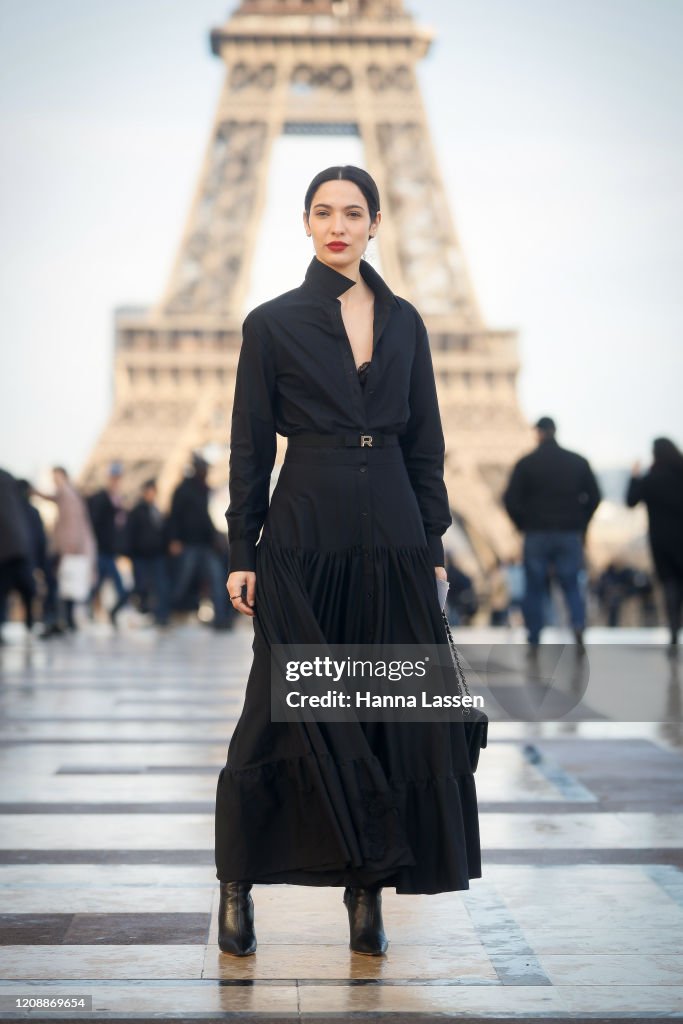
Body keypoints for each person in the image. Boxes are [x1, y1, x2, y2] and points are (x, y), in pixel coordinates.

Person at [215, 165, 482, 958]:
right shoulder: (271, 323)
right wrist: (242, 546)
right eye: (323, 212)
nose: (338, 225)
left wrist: (431, 547)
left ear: (374, 225)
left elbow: (426, 443)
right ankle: (237, 880)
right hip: (304, 533)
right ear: (304, 223)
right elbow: (249, 445)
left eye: (353, 212)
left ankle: (364, 894)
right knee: (277, 708)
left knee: (385, 715)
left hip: (394, 535)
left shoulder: (406, 322)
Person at [502, 416, 601, 653]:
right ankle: (578, 625)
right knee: (571, 584)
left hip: (536, 533)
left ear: (537, 433)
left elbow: (510, 500)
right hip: (568, 533)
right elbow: (595, 496)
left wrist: (522, 523)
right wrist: (581, 522)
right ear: (556, 431)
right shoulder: (578, 461)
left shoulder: (526, 463)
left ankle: (534, 634)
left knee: (534, 587)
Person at [626, 437, 683, 653]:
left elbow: (631, 500)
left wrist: (634, 476)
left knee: (670, 586)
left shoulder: (651, 478)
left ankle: (674, 633)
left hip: (662, 542)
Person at [167, 453, 232, 630]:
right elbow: (174, 517)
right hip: (188, 544)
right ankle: (165, 613)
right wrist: (174, 540)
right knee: (181, 582)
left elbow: (206, 518)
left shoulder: (205, 491)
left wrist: (216, 538)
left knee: (217, 580)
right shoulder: (183, 490)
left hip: (204, 545)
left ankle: (221, 619)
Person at [33, 467, 97, 632]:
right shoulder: (71, 495)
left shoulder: (67, 494)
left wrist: (69, 547)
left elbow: (72, 525)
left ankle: (54, 619)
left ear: (65, 477)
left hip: (68, 548)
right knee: (66, 584)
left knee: (59, 583)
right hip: (72, 547)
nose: (55, 481)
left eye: (57, 477)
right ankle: (66, 620)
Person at [87, 462, 130, 626]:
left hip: (111, 551)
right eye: (114, 478)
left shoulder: (118, 500)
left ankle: (110, 612)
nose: (116, 481)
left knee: (109, 586)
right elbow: (95, 522)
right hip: (102, 550)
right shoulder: (102, 499)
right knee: (99, 585)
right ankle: (89, 613)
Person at [125, 479, 170, 626]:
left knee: (160, 586)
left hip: (156, 555)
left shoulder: (156, 511)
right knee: (142, 587)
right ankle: (144, 614)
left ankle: (160, 616)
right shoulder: (137, 511)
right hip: (141, 556)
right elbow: (130, 533)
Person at [0, 468, 34, 641]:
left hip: (8, 550)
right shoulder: (10, 484)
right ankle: (29, 624)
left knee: (4, 590)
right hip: (18, 548)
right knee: (26, 589)